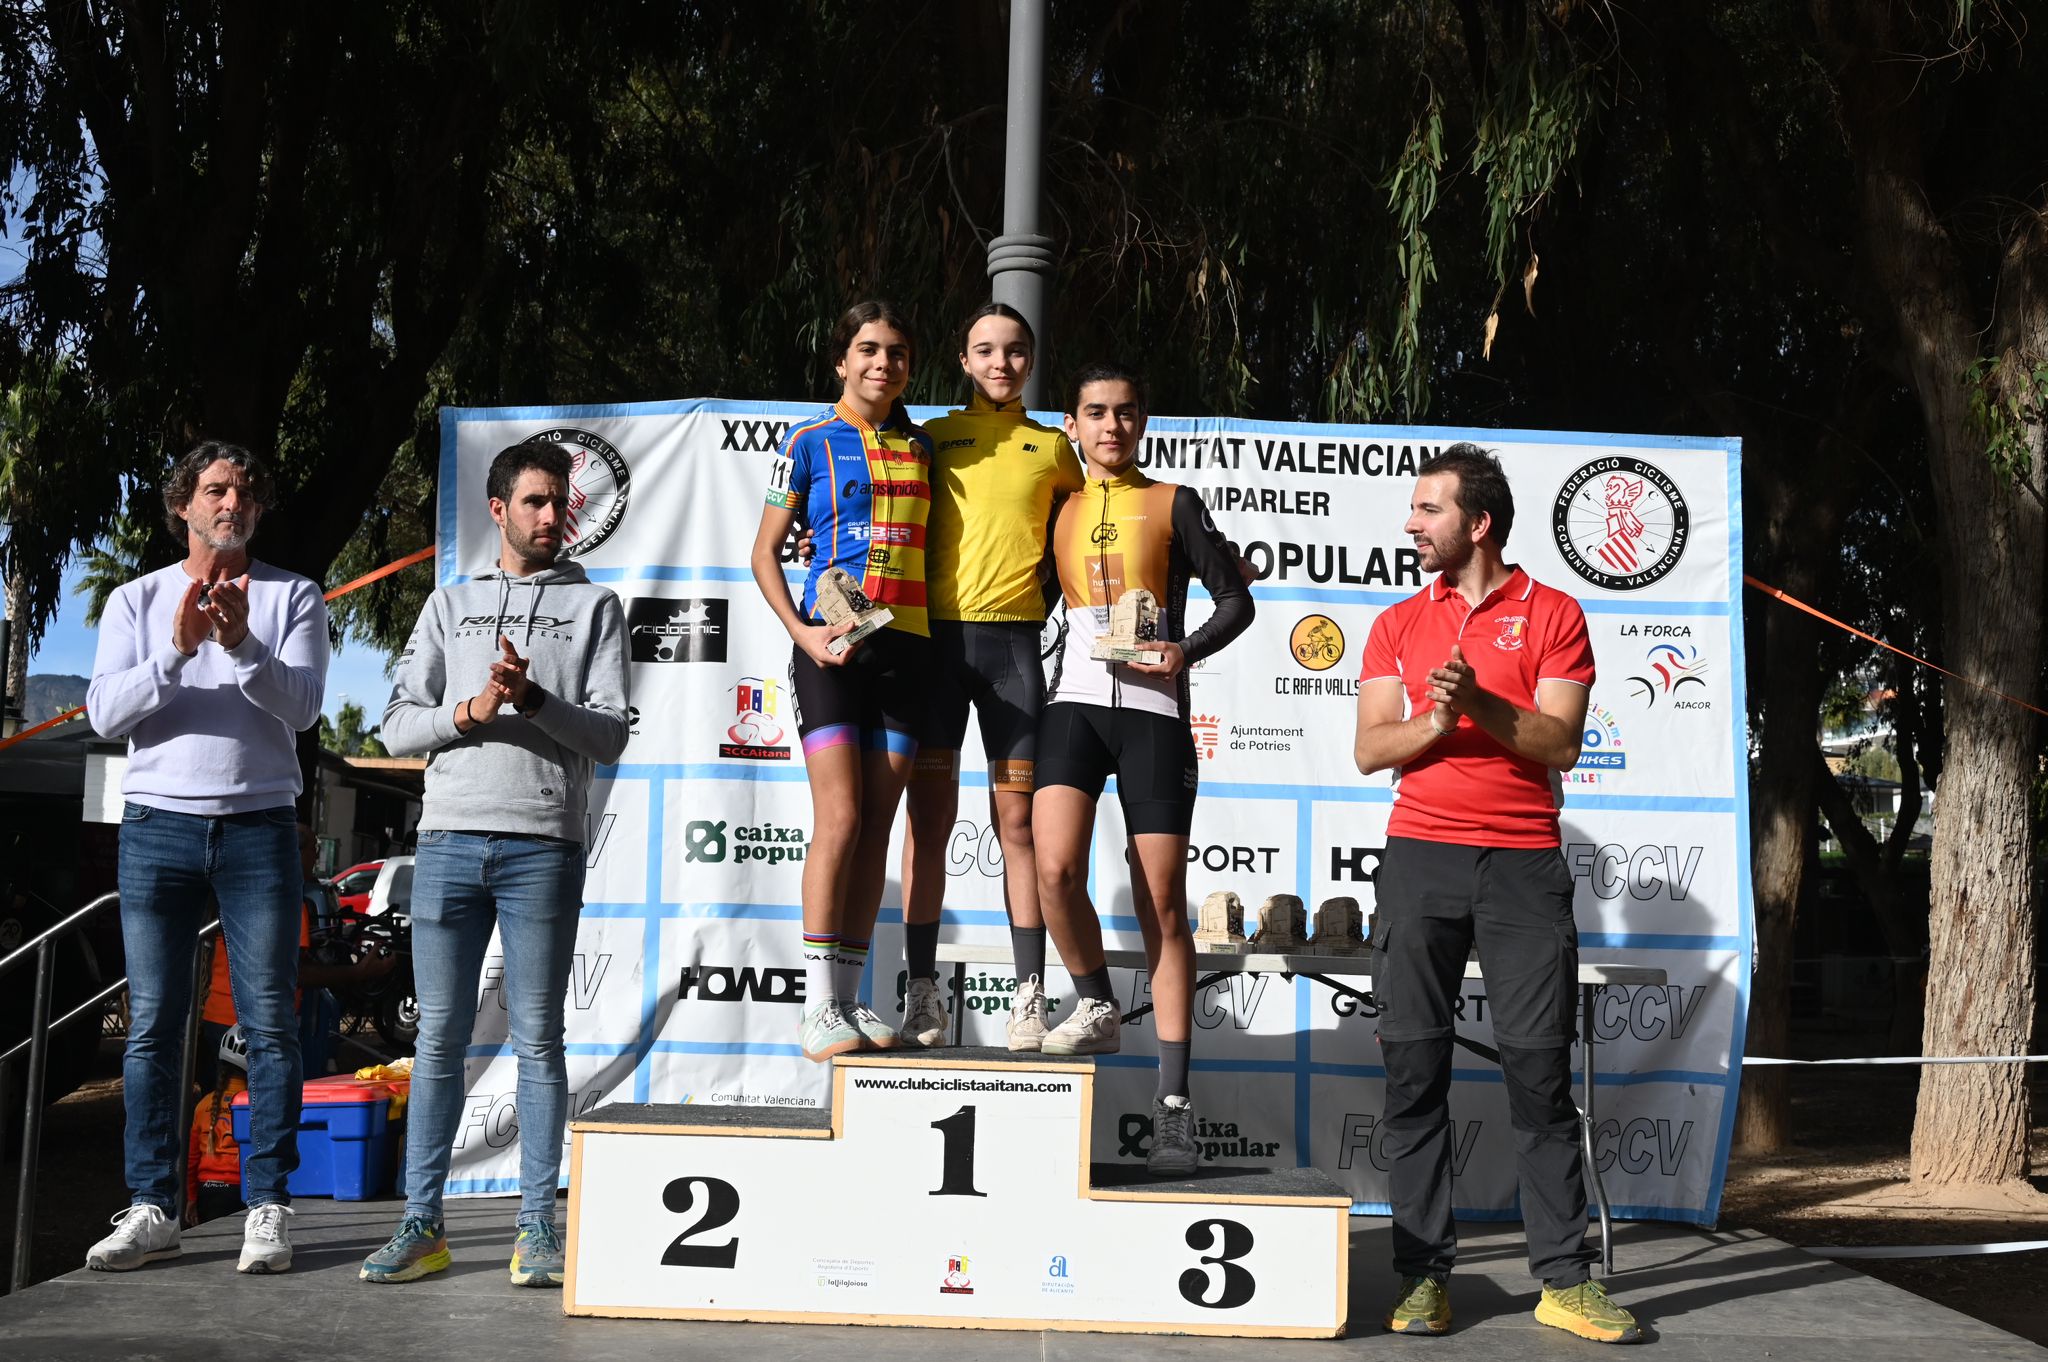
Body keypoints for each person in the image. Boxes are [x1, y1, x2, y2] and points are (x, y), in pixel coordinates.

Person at [1351, 444, 1640, 1343]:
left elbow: (1557, 743)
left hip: (1522, 862)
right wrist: (1437, 718)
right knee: (1412, 1072)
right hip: (1419, 858)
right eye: (1413, 509)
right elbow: (1370, 750)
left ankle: (1562, 1279)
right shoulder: (1398, 621)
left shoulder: (1553, 612)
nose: (1411, 524)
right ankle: (1422, 1276)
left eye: (1428, 509)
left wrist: (1474, 701)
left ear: (1476, 522)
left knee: (1539, 1076)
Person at [361, 440, 630, 1288]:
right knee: (438, 1039)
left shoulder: (598, 608)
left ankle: (537, 1231)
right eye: (538, 503)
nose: (555, 518)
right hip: (445, 840)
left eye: (562, 505)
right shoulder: (450, 604)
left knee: (538, 1041)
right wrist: (475, 708)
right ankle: (420, 1225)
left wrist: (535, 700)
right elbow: (396, 727)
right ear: (499, 509)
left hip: (542, 843)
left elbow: (612, 732)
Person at [85, 440, 330, 1274]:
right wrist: (180, 648)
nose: (233, 503)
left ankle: (267, 1205)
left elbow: (300, 708)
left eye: (247, 493)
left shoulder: (293, 595)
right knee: (152, 1025)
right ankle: (152, 1204)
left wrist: (240, 646)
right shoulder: (137, 599)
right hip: (157, 828)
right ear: (183, 504)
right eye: (216, 490)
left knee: (269, 1024)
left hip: (260, 828)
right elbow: (106, 714)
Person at [1030, 364, 1254, 1176]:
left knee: (1162, 899)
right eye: (1097, 413)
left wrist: (1181, 649)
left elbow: (1237, 600)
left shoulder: (1174, 502)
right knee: (1053, 869)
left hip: (1156, 715)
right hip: (1074, 706)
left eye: (1127, 412)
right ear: (1073, 424)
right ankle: (1094, 997)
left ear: (1144, 419)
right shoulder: (1058, 505)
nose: (1113, 426)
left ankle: (1173, 1111)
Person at [896, 303, 1084, 1049]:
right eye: (985, 350)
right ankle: (921, 994)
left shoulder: (1053, 447)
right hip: (937, 649)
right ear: (964, 361)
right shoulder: (933, 438)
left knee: (1018, 827)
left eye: (1014, 351)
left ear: (1030, 362)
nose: (1000, 363)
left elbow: (1093, 531)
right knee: (929, 822)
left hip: (1014, 655)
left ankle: (1029, 997)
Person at [750, 299, 933, 1062]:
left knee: (878, 828)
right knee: (843, 818)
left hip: (910, 649)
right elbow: (763, 554)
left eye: (894, 351)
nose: (881, 363)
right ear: (840, 362)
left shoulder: (925, 446)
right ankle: (818, 1005)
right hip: (832, 650)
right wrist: (801, 631)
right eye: (867, 350)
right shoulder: (807, 440)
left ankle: (851, 1003)